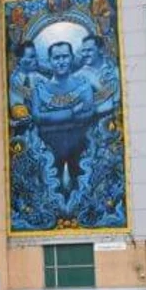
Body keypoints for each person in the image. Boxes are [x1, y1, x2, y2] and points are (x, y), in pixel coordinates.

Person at [31, 40, 97, 196]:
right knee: (51, 191)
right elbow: (38, 117)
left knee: (82, 190)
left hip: (80, 145)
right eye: (56, 58)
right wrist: (73, 111)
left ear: (72, 58)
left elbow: (88, 113)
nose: (61, 62)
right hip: (49, 147)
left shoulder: (83, 85)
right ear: (49, 61)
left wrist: (52, 117)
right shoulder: (40, 89)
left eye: (65, 57)